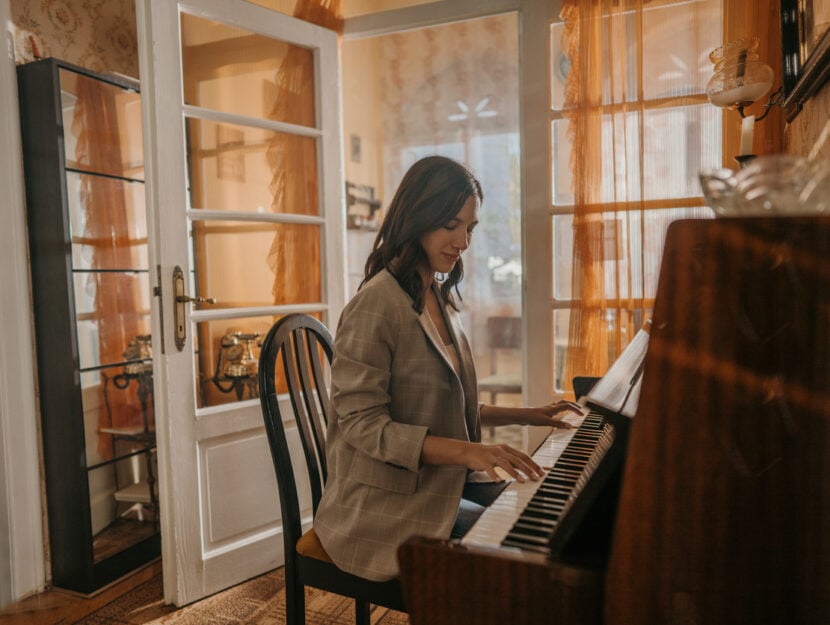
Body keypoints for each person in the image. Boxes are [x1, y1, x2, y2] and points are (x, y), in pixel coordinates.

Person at [313, 155, 581, 582]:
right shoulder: (375, 305)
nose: (463, 242)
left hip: (439, 485)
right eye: (451, 225)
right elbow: (362, 426)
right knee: (524, 557)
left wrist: (527, 414)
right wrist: (472, 451)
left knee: (555, 516)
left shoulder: (436, 295)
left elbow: (443, 407)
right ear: (417, 218)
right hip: (383, 508)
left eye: (470, 228)